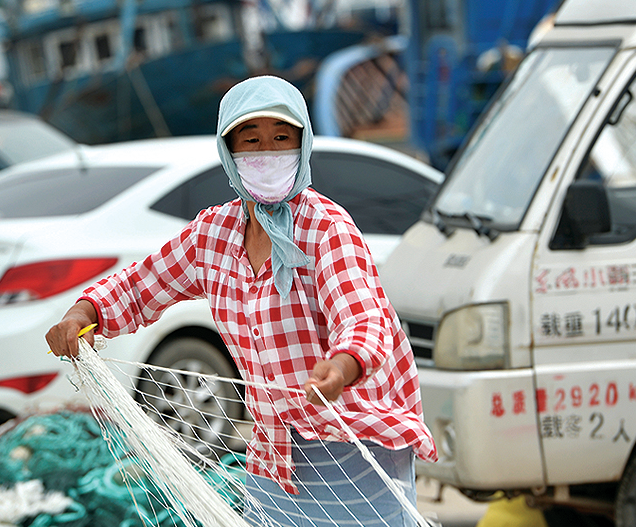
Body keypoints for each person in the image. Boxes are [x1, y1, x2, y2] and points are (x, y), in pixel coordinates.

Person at [46, 75, 436, 527]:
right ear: (229, 154)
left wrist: (343, 365)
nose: (268, 154)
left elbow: (364, 317)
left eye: (281, 139)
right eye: (251, 141)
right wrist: (84, 313)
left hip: (355, 440)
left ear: (303, 144)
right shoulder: (214, 233)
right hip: (275, 450)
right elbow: (140, 285)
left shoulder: (327, 226)